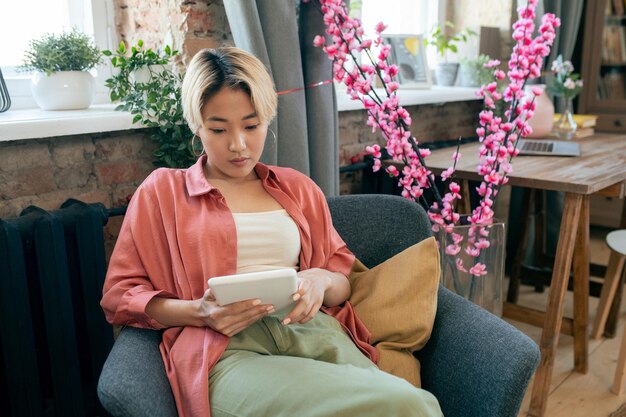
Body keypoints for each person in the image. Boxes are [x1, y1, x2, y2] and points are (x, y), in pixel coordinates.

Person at [101, 46, 442, 417]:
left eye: (251, 125)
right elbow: (120, 296)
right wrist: (200, 312)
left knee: (406, 404)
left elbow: (343, 280)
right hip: (226, 349)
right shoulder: (163, 192)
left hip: (313, 333)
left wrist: (319, 280)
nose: (238, 145)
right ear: (196, 126)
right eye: (218, 128)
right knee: (407, 404)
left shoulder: (298, 188)